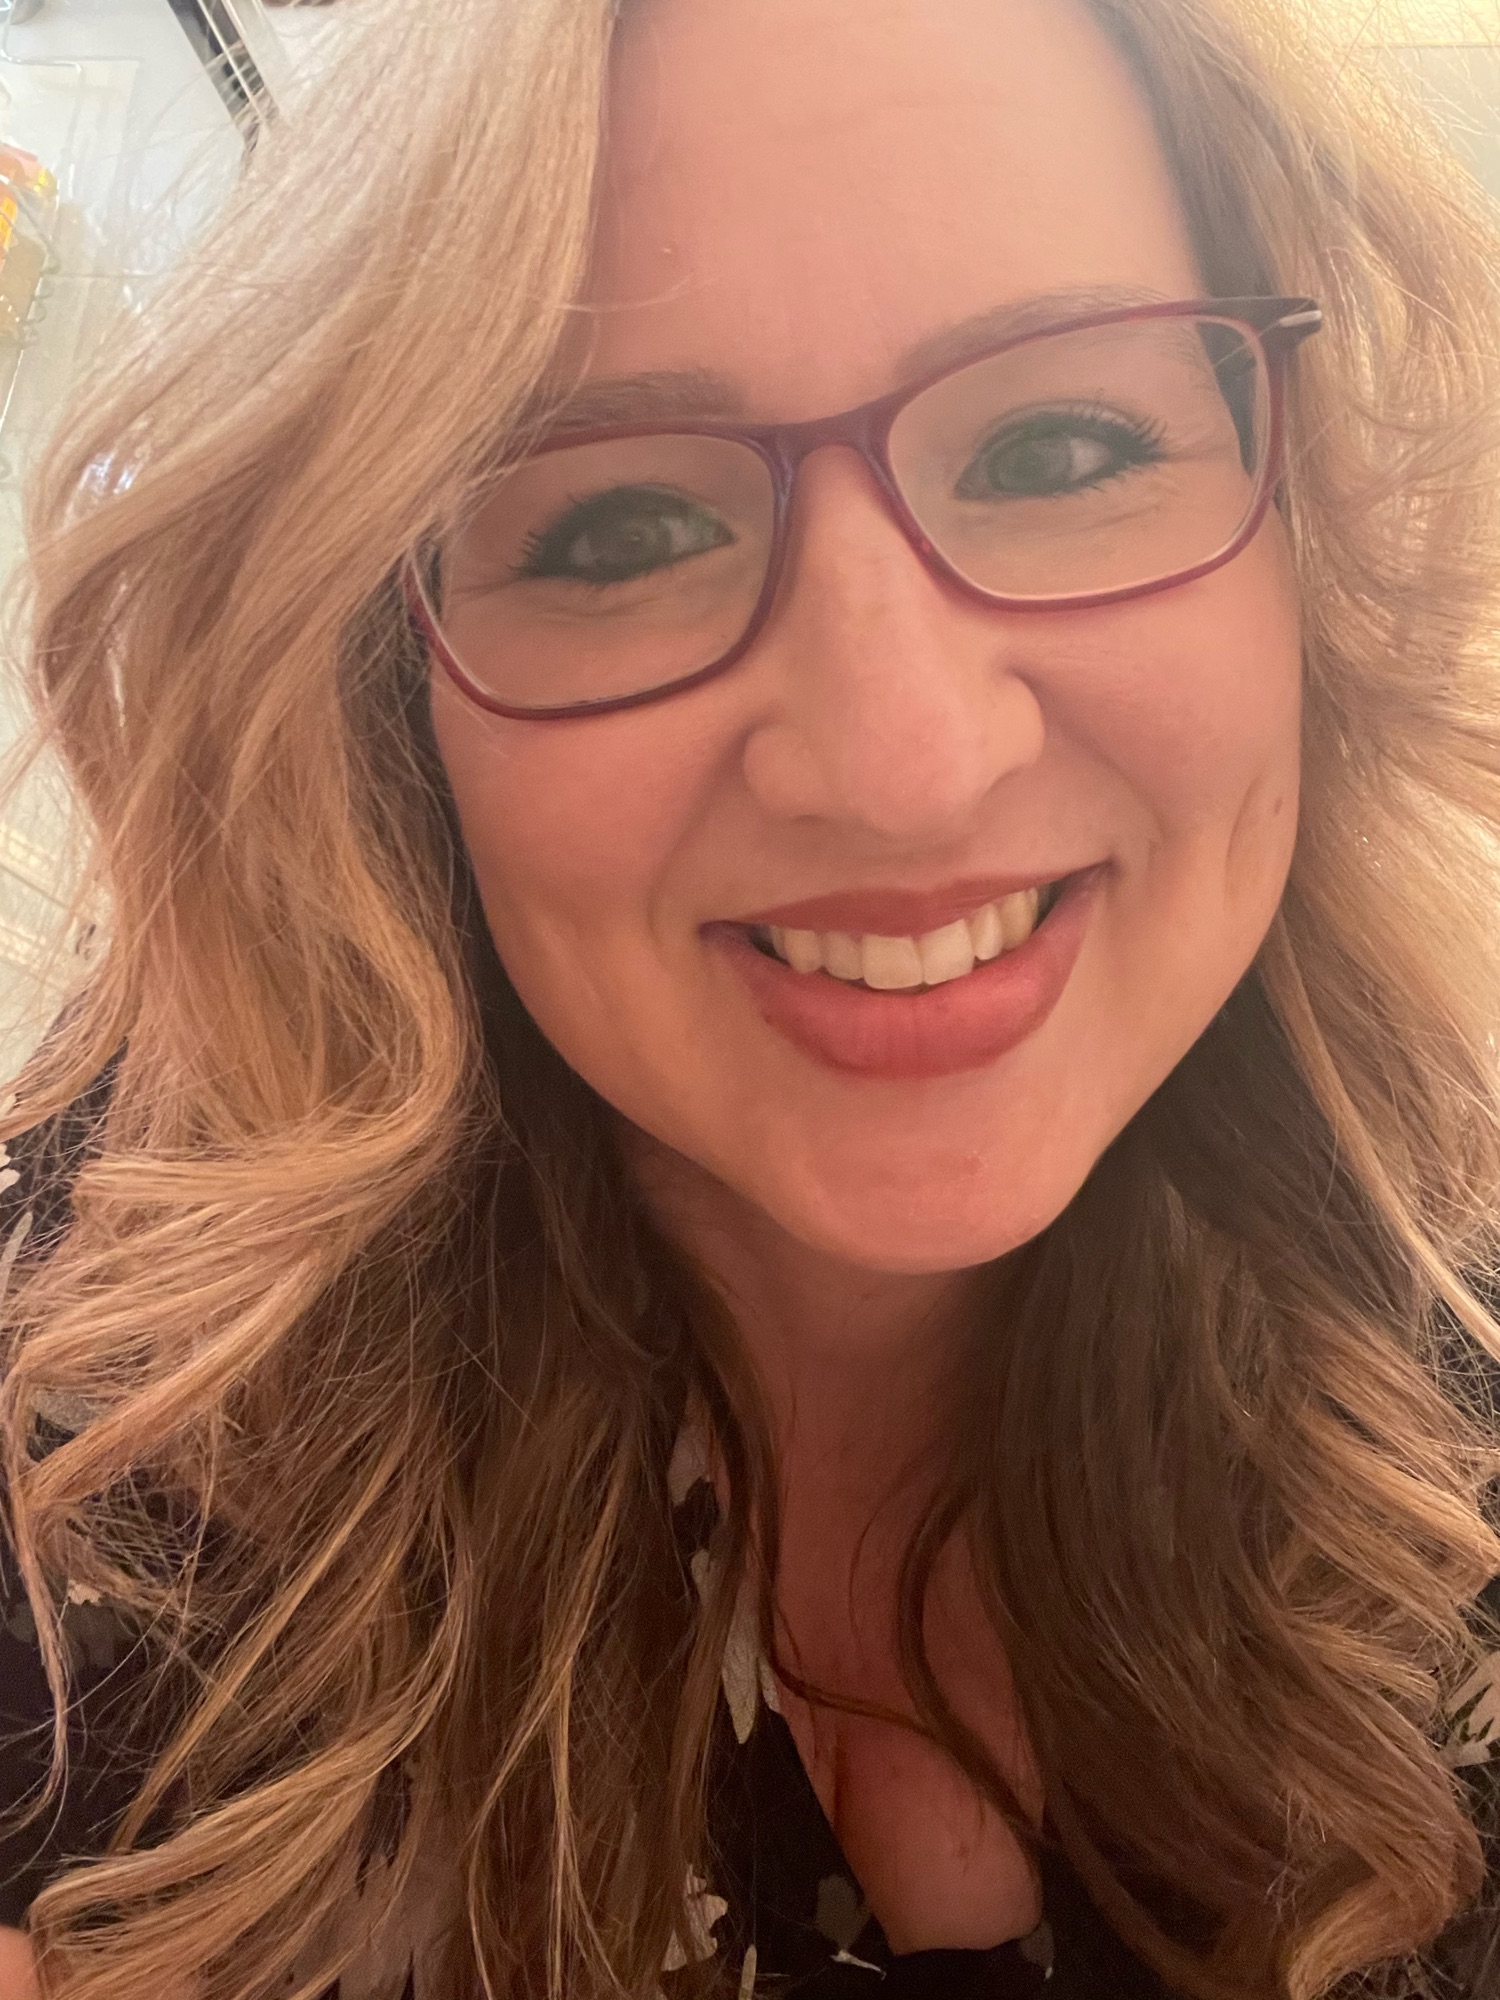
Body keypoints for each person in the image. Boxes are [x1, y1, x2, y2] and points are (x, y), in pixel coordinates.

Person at [2, 0, 1500, 1993]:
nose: (904, 765)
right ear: (385, 680)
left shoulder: (1463, 1341)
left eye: (1061, 446)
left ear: (1307, 528)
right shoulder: (88, 1449)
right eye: (624, 527)